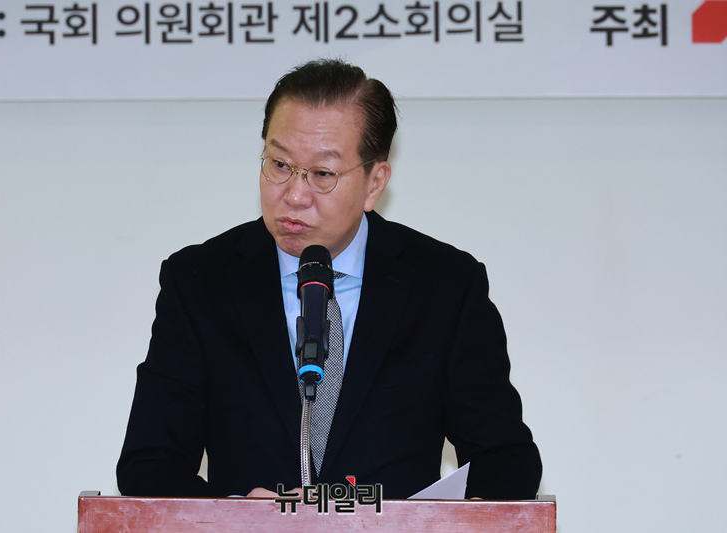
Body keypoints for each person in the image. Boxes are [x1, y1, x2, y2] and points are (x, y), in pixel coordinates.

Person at [117, 58, 541, 500]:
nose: (294, 195)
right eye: (279, 164)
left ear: (374, 183)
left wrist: (451, 522)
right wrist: (237, 517)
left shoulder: (445, 286)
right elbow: (150, 464)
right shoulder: (200, 283)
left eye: (322, 174)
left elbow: (505, 458)